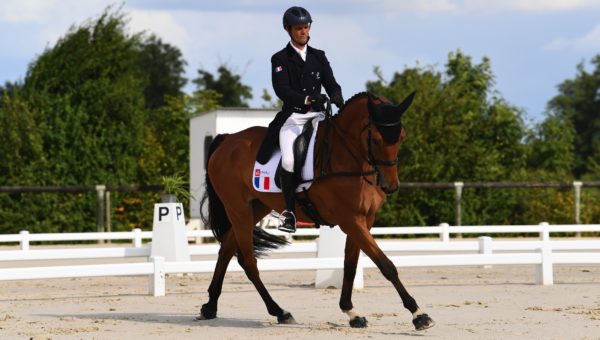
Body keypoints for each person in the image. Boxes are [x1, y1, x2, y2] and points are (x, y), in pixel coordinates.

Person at [271, 6, 344, 233]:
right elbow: (282, 90)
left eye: (305, 27)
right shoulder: (280, 58)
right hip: (294, 118)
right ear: (288, 30)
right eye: (298, 28)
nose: (303, 32)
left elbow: (331, 83)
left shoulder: (318, 56)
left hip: (319, 117)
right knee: (290, 161)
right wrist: (308, 99)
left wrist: (337, 97)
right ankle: (289, 213)